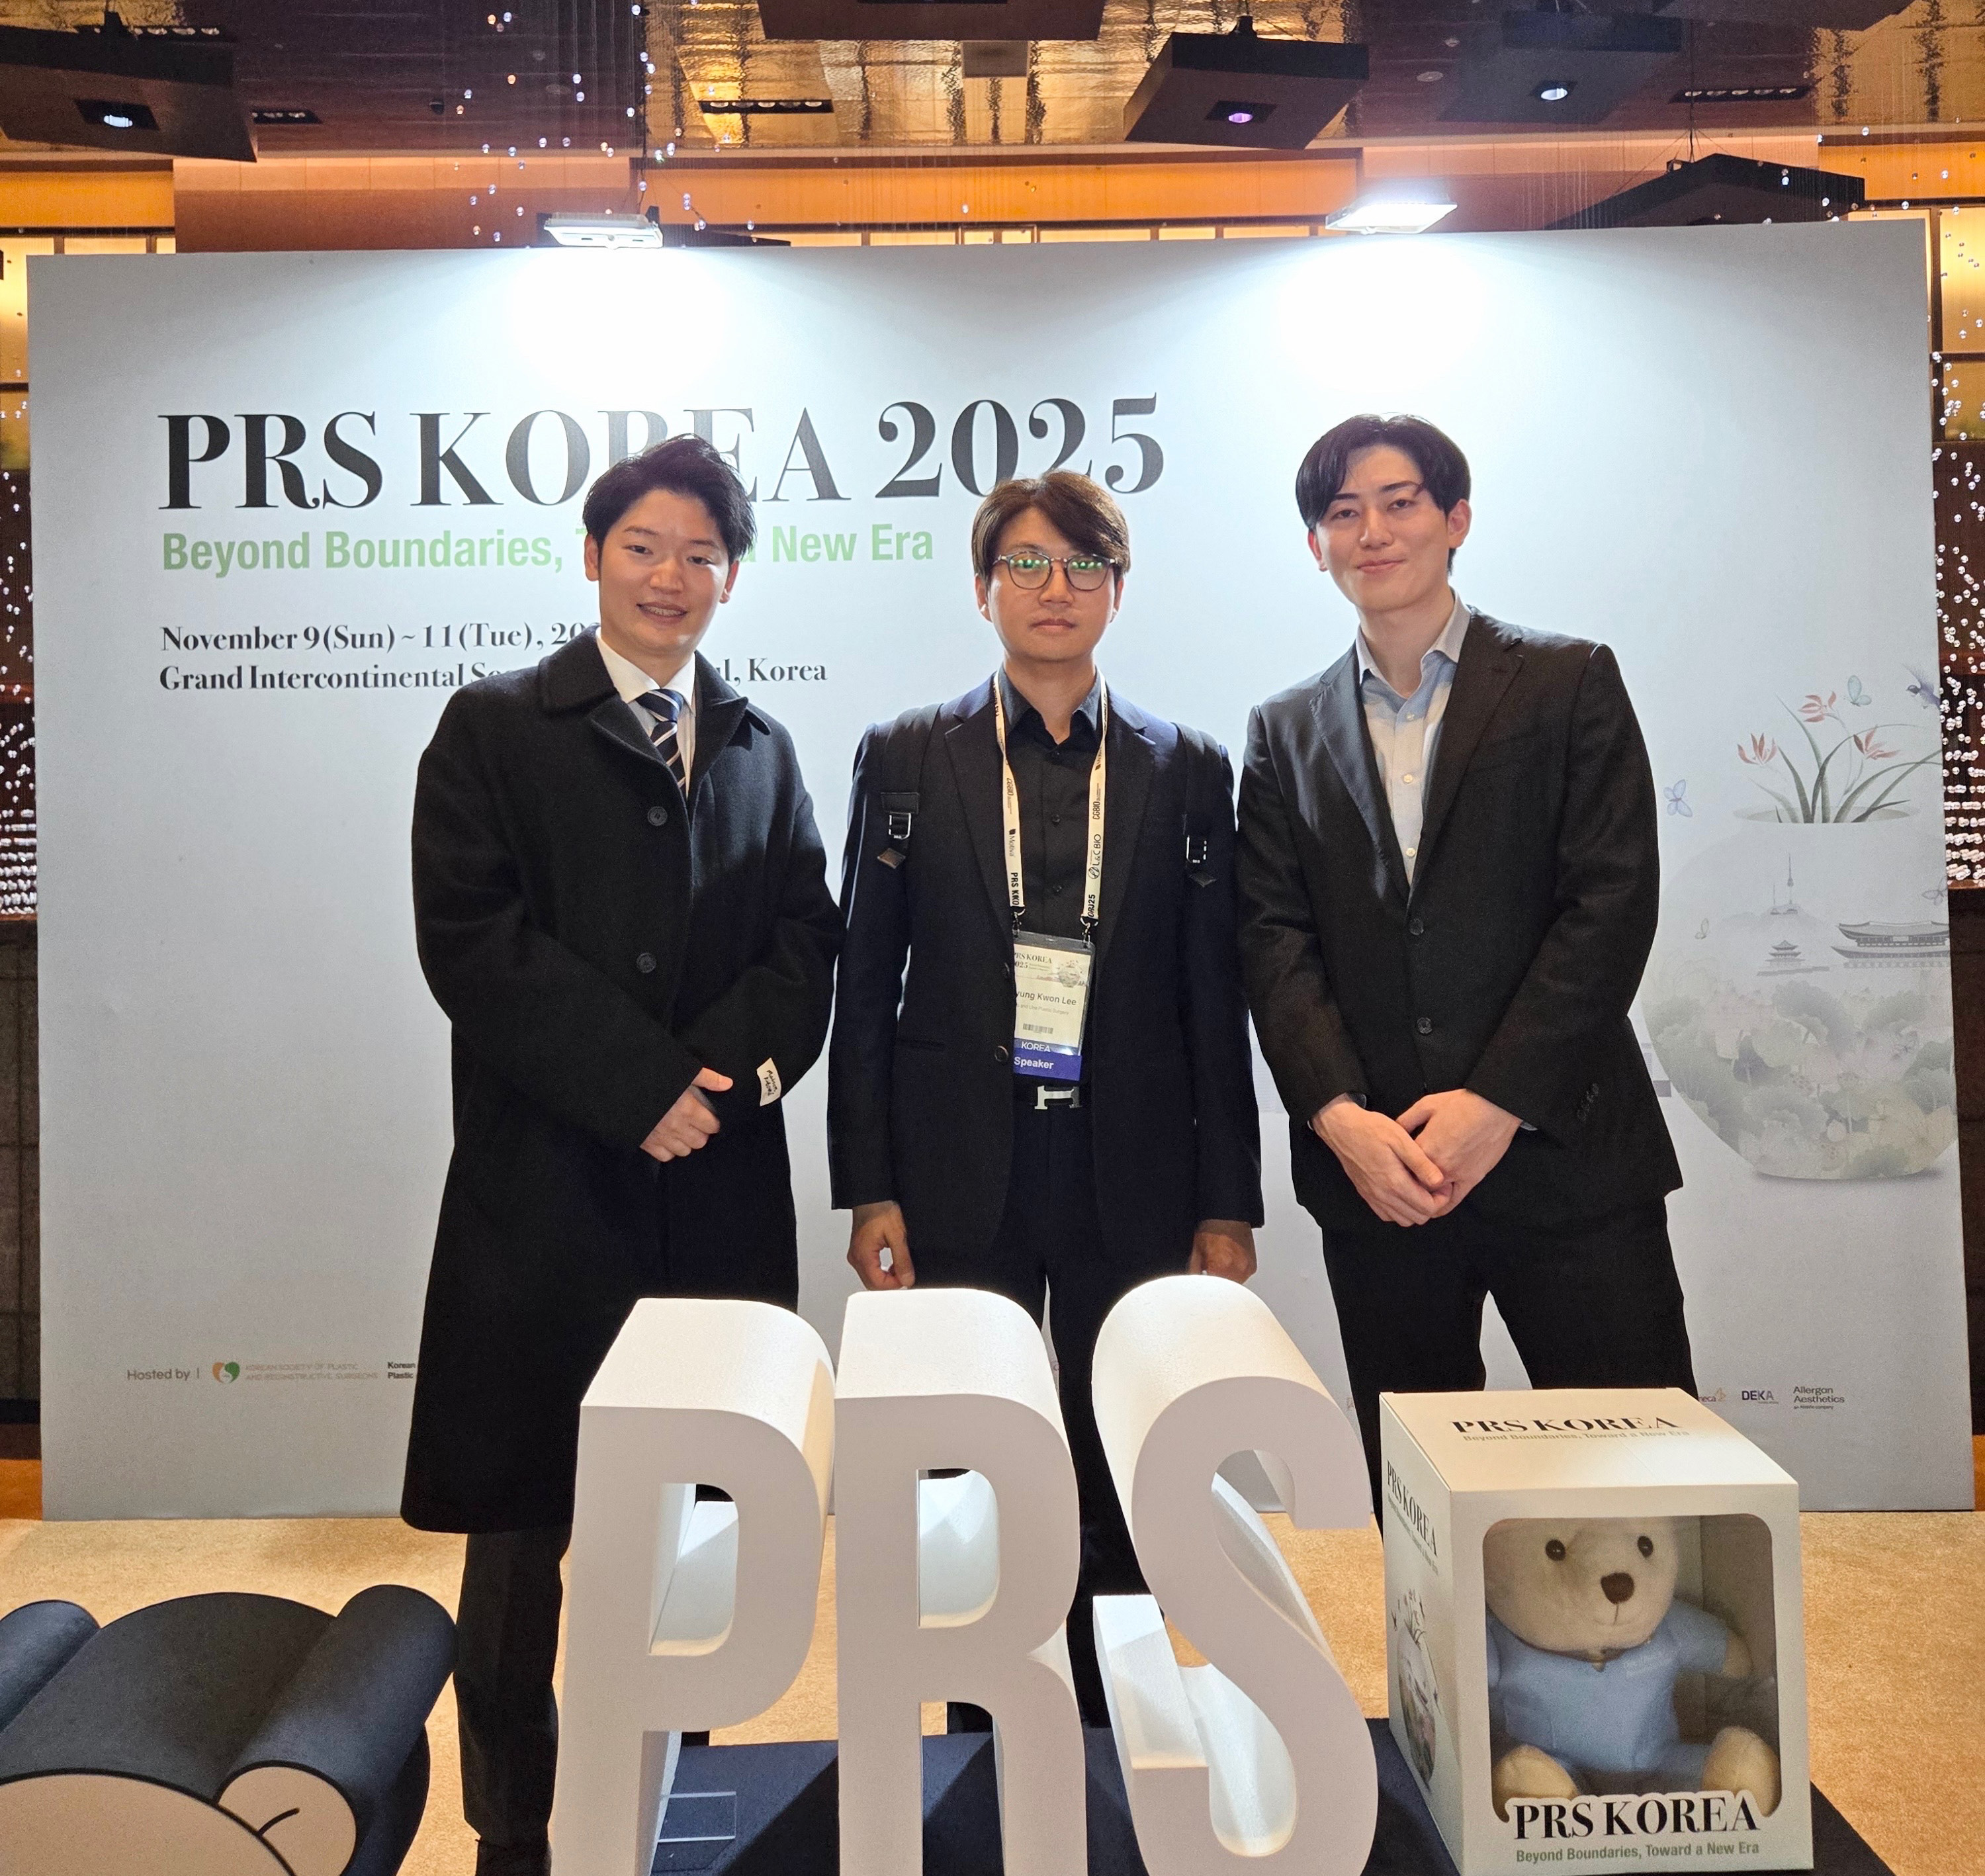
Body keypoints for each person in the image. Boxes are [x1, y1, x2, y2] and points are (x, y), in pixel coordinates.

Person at [401, 435, 838, 1876]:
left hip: (714, 1192)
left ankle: (671, 1790)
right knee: (524, 1531)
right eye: (644, 546)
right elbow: (474, 941)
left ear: (731, 578)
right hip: (547, 1193)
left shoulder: (763, 746)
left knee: (693, 1524)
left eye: (702, 554)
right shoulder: (494, 727)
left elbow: (805, 943)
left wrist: (710, 1085)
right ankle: (514, 1829)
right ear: (594, 556)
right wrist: (641, 1086)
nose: (671, 576)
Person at [828, 470, 1262, 1726]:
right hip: (960, 1161)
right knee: (978, 1451)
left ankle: (1118, 1712)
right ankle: (987, 1723)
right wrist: (869, 1185)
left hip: (1135, 1163)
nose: (1053, 588)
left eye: (1081, 565)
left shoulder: (1188, 766)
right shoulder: (909, 753)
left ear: (1118, 590)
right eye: (1024, 564)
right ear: (984, 591)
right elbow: (866, 979)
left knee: (1124, 1443)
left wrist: (1228, 1199)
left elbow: (1214, 997)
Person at [1235, 414, 1695, 1505]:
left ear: (1456, 519)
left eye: (1399, 503)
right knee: (1424, 1505)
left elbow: (1609, 906)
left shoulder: (1566, 681)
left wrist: (1496, 1104)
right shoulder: (1284, 728)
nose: (1373, 532)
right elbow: (1272, 935)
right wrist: (1337, 1118)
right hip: (1382, 1176)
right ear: (1316, 546)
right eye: (1343, 513)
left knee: (1646, 1486)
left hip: (1565, 1157)